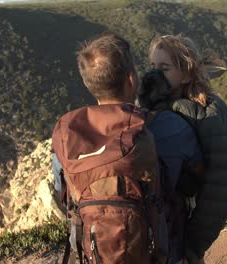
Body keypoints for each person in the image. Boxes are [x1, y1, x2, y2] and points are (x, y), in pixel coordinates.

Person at [52, 33, 203, 264]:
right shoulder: (171, 127)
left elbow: (63, 196)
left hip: (96, 252)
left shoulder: (66, 133)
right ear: (132, 79)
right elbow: (196, 179)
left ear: (88, 83)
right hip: (163, 253)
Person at [146, 34, 227, 264]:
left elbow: (218, 193)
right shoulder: (156, 107)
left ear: (187, 73)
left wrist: (193, 248)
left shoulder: (213, 117)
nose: (155, 75)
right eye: (152, 67)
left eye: (165, 68)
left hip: (183, 236)